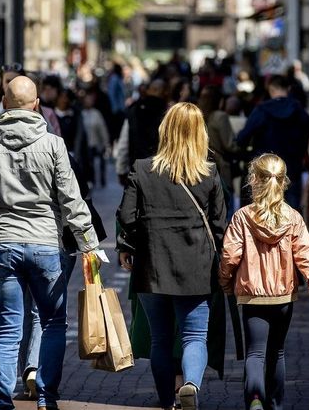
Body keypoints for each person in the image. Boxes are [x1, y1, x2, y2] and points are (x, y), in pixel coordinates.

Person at [0, 76, 99, 410]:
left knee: (8, 328)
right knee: (52, 323)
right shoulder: (53, 145)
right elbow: (71, 200)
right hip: (46, 243)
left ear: (4, 104)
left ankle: (2, 399)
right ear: (37, 105)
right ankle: (47, 397)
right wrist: (89, 244)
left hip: (4, 244)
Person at [116, 102, 226, 410]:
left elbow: (126, 215)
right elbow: (220, 225)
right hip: (197, 267)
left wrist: (126, 247)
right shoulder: (209, 173)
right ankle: (189, 385)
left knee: (160, 341)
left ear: (165, 130)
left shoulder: (142, 168)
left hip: (152, 265)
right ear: (200, 134)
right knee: (194, 336)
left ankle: (167, 401)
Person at [219, 154, 309, 410]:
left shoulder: (242, 217)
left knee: (255, 352)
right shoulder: (293, 218)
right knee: (277, 351)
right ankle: (275, 405)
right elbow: (306, 254)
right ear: (284, 182)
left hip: (252, 295)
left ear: (254, 180)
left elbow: (229, 256)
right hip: (283, 296)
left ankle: (255, 399)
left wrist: (224, 282)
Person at [237, 75, 309, 212]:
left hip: (265, 169)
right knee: (291, 215)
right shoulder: (299, 111)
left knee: (261, 214)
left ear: (270, 89)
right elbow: (306, 136)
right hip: (292, 168)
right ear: (288, 89)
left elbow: (243, 137)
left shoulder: (261, 110)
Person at [114, 78, 170, 186]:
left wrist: (121, 170)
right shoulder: (169, 113)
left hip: (137, 169)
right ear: (165, 92)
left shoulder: (134, 110)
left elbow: (124, 143)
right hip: (161, 172)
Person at [80, 89, 111, 187]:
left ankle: (100, 180)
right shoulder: (80, 113)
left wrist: (106, 143)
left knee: (97, 164)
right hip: (85, 145)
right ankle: (90, 180)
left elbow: (102, 129)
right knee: (88, 165)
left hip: (95, 144)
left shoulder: (96, 114)